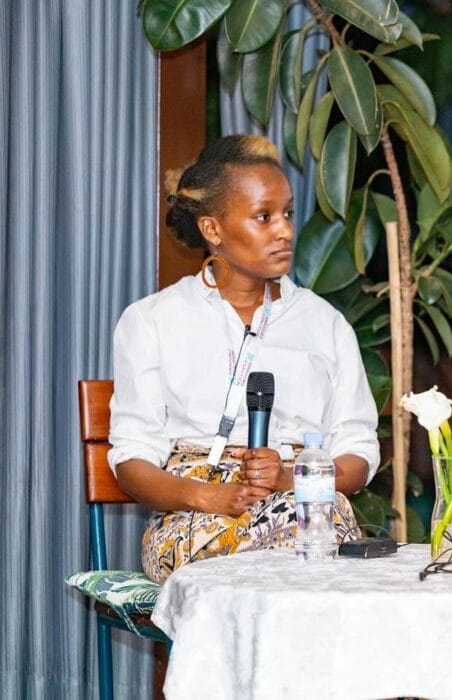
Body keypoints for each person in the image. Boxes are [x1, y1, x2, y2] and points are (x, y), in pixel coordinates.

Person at [108, 135, 379, 583]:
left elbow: (358, 452)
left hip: (306, 506)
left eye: (288, 214)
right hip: (193, 512)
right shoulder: (152, 320)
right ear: (213, 230)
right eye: (264, 217)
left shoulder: (323, 323)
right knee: (305, 554)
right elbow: (131, 459)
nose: (286, 231)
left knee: (307, 531)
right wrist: (205, 495)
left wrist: (289, 477)